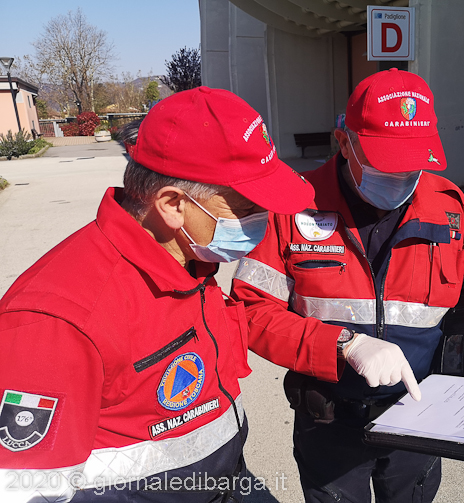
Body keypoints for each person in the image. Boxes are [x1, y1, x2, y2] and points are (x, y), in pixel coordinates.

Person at [0, 87, 314, 502]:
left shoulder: (189, 262)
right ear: (172, 204)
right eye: (245, 208)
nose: (263, 221)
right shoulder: (57, 319)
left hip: (227, 483)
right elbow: (26, 490)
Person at [231, 69, 464, 503]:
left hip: (420, 419)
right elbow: (250, 311)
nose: (401, 176)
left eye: (414, 162)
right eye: (385, 162)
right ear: (344, 142)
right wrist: (343, 344)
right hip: (330, 423)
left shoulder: (452, 208)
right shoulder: (294, 207)